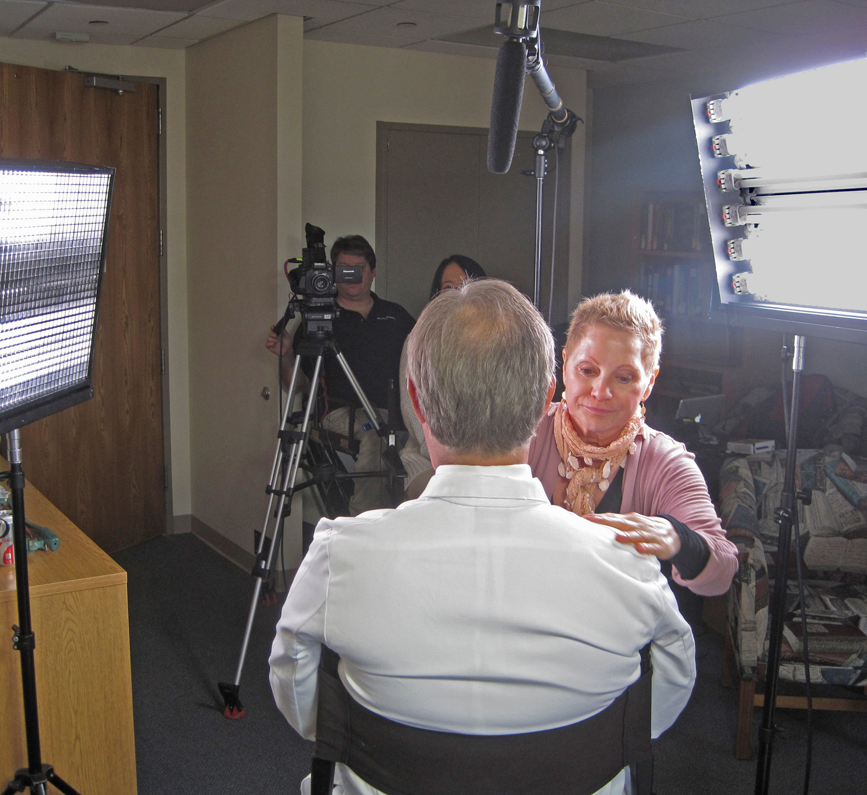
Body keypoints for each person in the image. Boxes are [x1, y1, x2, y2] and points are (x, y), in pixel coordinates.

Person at [270, 279, 696, 795]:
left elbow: (302, 701)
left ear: (416, 401)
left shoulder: (339, 556)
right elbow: (656, 707)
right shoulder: (627, 568)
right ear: (546, 399)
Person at [528, 290, 738, 597]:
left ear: (649, 382)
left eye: (623, 378)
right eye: (588, 370)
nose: (600, 391)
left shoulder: (666, 462)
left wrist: (679, 539)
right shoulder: (524, 431)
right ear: (565, 362)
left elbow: (722, 573)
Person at [266, 235, 414, 515]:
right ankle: (365, 525)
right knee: (378, 438)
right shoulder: (318, 320)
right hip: (342, 413)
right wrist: (287, 356)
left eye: (358, 269)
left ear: (373, 272)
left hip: (396, 410)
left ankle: (412, 520)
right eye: (344, 269)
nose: (351, 276)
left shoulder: (395, 315)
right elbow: (296, 384)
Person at [399, 255, 487, 497]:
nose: (460, 293)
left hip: (484, 459)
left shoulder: (495, 339)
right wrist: (455, 459)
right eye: (449, 287)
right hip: (427, 459)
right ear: (436, 295)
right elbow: (414, 415)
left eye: (467, 284)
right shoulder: (417, 340)